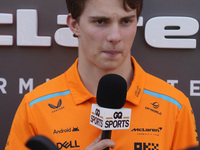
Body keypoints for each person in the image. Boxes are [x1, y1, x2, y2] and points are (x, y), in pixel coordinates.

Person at [5, 0, 199, 149]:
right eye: (100, 21)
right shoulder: (36, 107)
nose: (115, 36)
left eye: (126, 21)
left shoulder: (173, 105)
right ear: (74, 25)